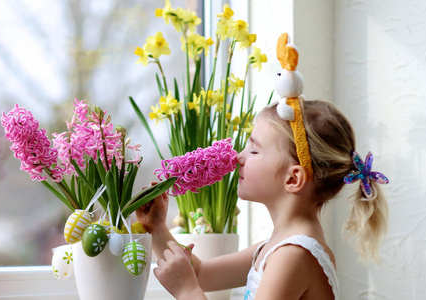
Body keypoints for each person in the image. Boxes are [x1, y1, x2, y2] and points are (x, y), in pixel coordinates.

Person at [136, 34, 389, 299]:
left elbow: (193, 282)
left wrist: (187, 291)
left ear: (293, 180)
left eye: (254, 149)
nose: (238, 157)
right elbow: (200, 274)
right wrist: (158, 229)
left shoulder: (293, 256)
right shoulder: (274, 248)